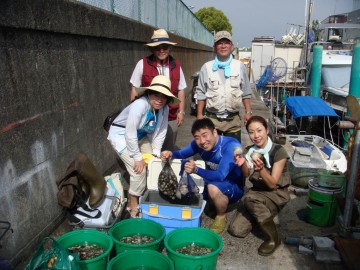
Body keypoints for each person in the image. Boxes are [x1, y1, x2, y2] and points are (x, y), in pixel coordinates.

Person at [107, 75, 180, 218]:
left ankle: (148, 195)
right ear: (148, 93)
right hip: (122, 136)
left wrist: (156, 152)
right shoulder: (140, 105)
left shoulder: (164, 109)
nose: (159, 99)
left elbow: (161, 130)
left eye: (163, 96)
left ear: (167, 99)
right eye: (155, 95)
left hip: (141, 136)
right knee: (138, 170)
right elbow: (129, 133)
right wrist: (137, 157)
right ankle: (132, 203)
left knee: (153, 163)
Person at [161, 118, 244, 234]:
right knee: (184, 187)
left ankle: (221, 216)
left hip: (233, 185)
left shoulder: (230, 146)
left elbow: (220, 176)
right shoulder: (198, 144)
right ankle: (211, 203)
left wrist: (196, 170)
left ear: (214, 132)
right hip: (211, 179)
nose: (202, 141)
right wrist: (170, 154)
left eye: (205, 135)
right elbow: (181, 154)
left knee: (213, 188)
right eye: (197, 137)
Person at [227, 115, 291, 256]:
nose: (256, 136)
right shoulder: (250, 151)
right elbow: (246, 173)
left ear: (267, 130)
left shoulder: (278, 151)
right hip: (259, 193)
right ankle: (261, 216)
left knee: (249, 199)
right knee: (236, 230)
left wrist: (261, 169)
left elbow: (272, 184)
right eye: (251, 132)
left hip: (277, 193)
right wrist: (242, 163)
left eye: (259, 130)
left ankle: (274, 239)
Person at [130, 28, 187, 151]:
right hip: (148, 116)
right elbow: (134, 89)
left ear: (169, 48)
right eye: (157, 47)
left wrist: (181, 112)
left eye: (165, 47)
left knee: (168, 149)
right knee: (148, 150)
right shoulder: (142, 64)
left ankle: (165, 168)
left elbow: (181, 90)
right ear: (152, 49)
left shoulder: (176, 65)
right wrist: (134, 111)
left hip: (170, 115)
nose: (161, 50)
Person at [196, 30, 252, 142]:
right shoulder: (206, 67)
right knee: (211, 155)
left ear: (231, 46)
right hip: (212, 120)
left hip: (233, 121)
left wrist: (248, 112)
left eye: (226, 43)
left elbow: (246, 91)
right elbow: (201, 93)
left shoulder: (240, 66)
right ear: (214, 47)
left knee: (232, 155)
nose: (223, 46)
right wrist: (199, 115)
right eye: (219, 43)